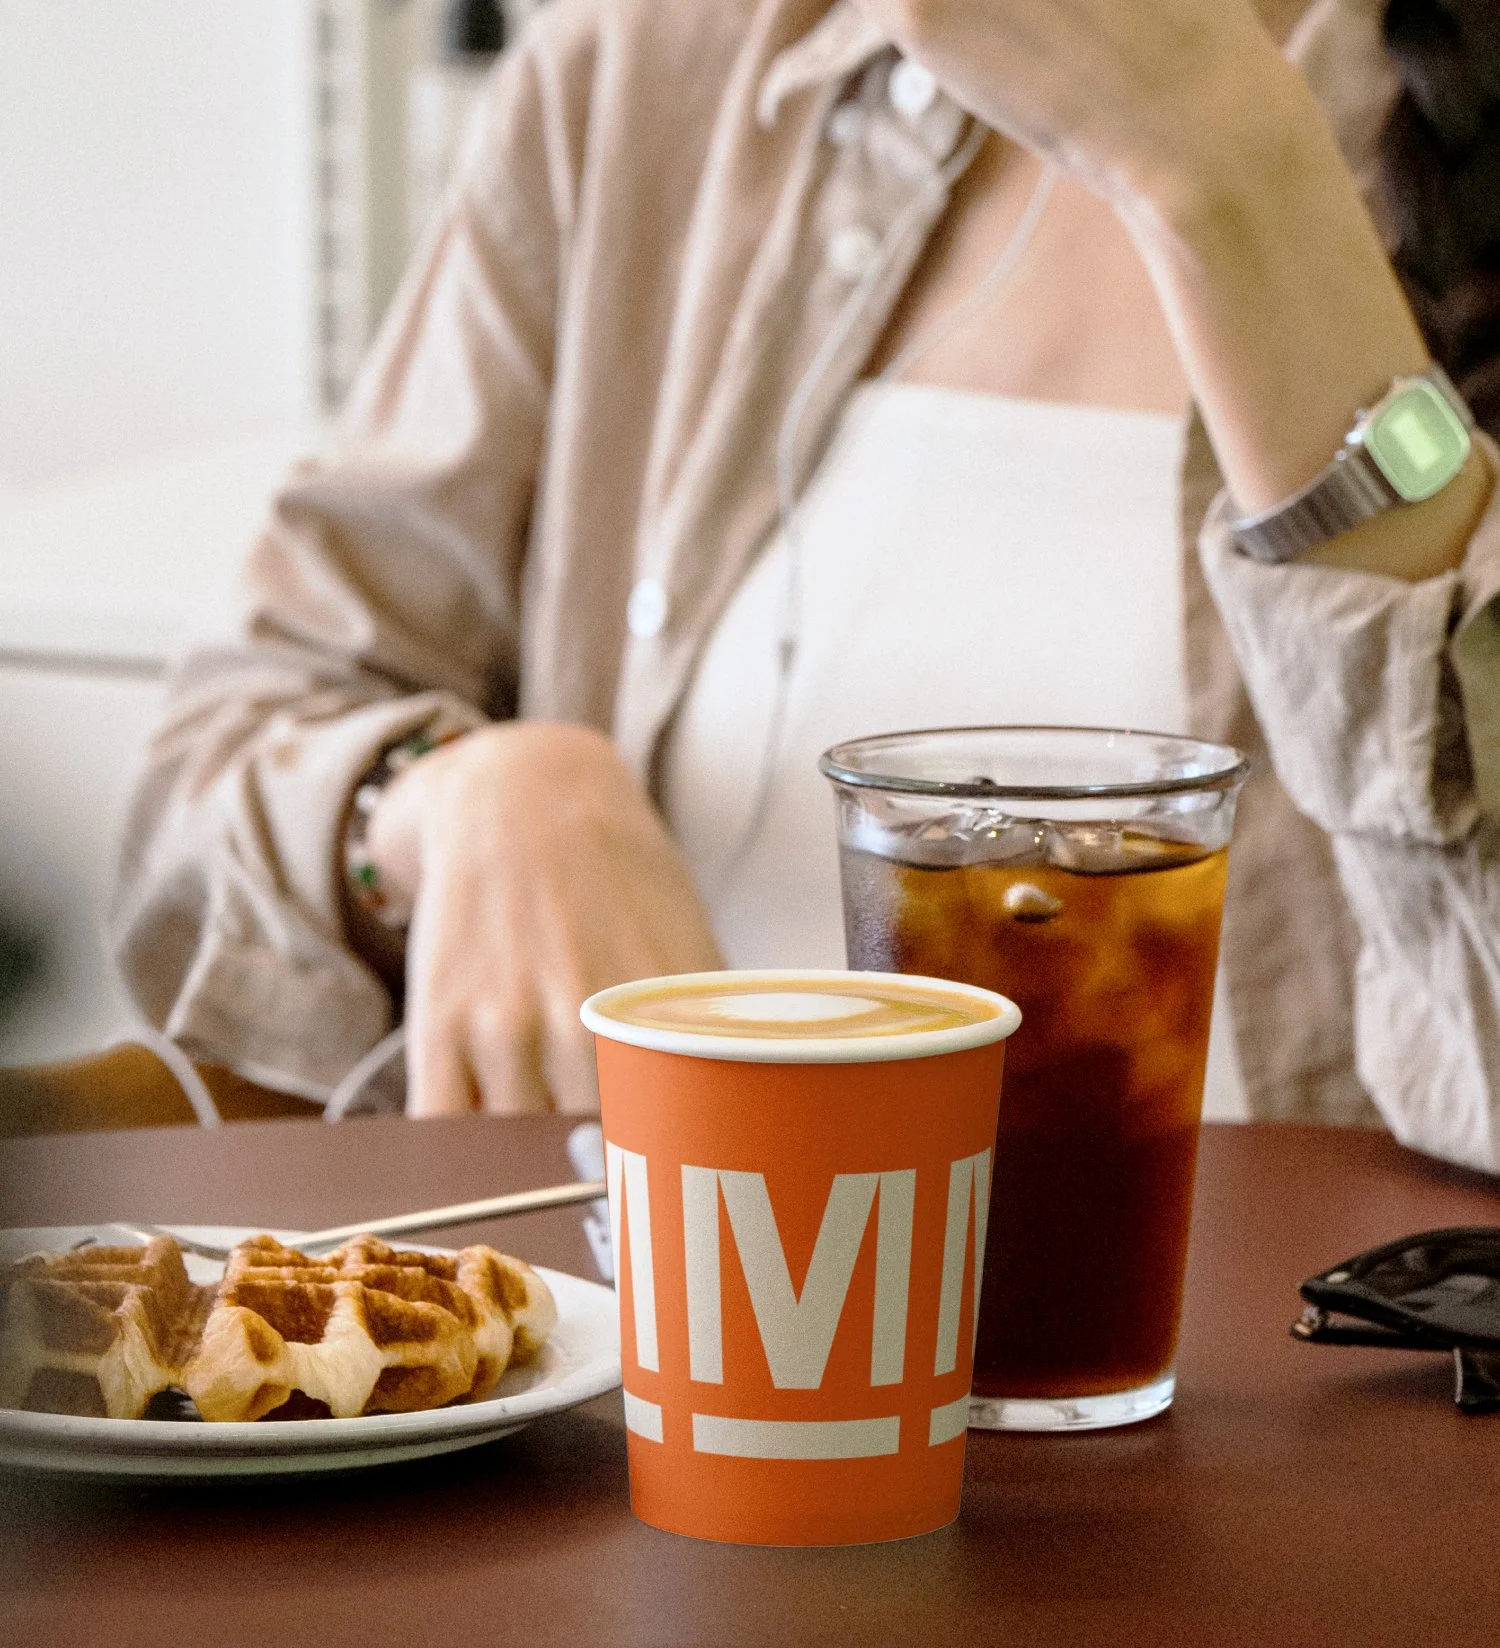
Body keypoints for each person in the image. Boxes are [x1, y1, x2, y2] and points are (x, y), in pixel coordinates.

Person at [113, 0, 1500, 1168]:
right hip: (677, 1438)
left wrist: (1229, 170)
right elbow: (210, 775)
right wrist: (462, 792)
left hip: (1324, 1472)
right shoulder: (651, 83)